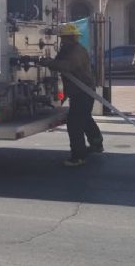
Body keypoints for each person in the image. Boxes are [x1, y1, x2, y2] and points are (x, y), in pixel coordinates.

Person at [41, 23, 103, 167]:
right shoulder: (70, 49)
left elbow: (68, 66)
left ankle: (78, 157)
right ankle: (96, 144)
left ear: (68, 37)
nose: (62, 40)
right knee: (85, 118)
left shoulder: (76, 51)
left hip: (83, 92)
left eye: (63, 38)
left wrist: (49, 62)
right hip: (81, 91)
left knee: (75, 123)